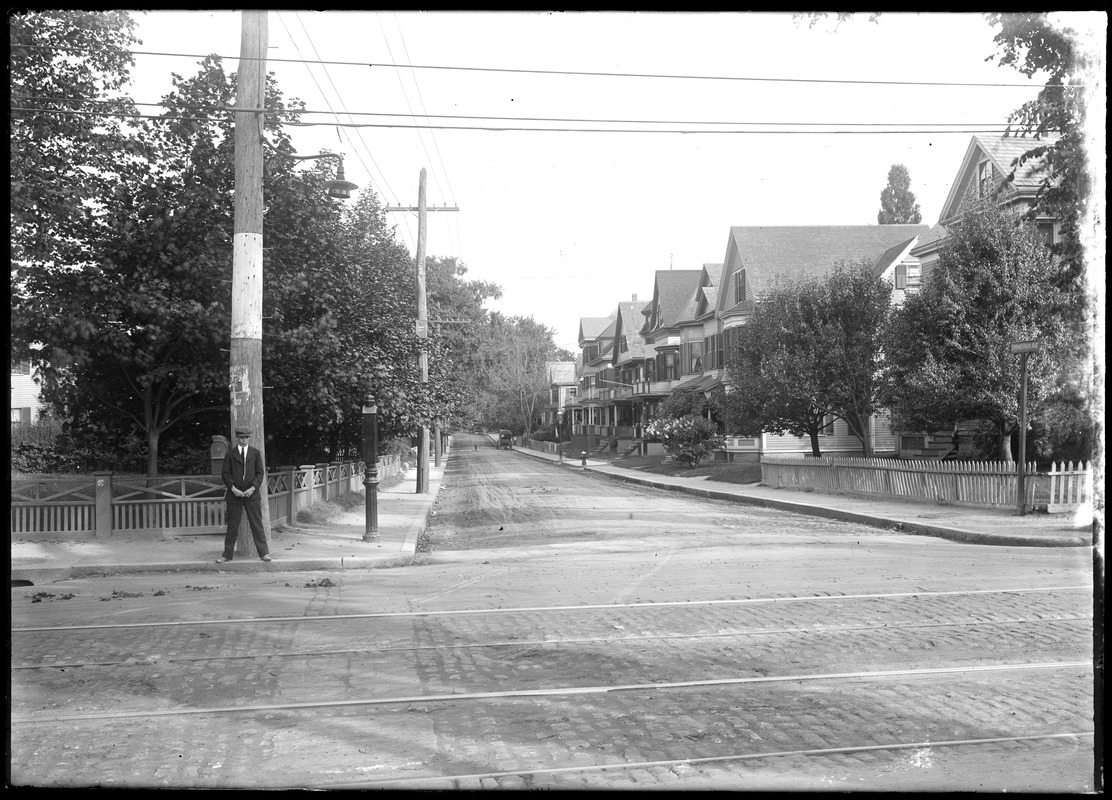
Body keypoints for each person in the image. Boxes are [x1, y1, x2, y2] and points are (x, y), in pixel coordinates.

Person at [217, 426, 271, 562]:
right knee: (232, 526)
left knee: (257, 524)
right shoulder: (230, 454)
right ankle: (226, 555)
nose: (244, 440)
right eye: (241, 437)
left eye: (246, 437)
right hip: (234, 495)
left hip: (251, 495)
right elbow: (225, 474)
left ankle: (264, 554)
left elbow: (260, 473)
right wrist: (233, 489)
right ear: (237, 438)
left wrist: (252, 488)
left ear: (249, 438)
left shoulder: (256, 453)